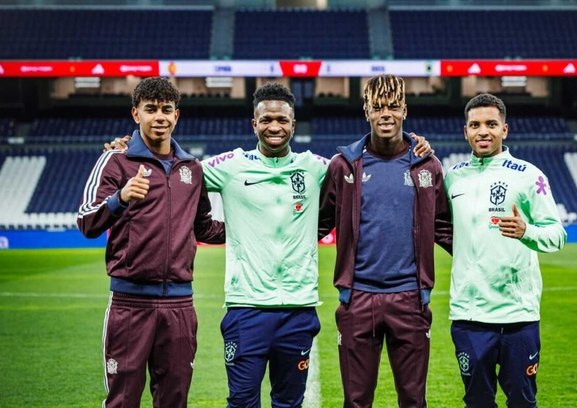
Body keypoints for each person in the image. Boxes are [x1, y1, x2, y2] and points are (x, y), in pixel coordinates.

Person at [106, 81, 432, 407]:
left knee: (289, 403)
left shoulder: (320, 167)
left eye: (282, 120)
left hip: (298, 308)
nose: (274, 127)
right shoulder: (229, 166)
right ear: (254, 124)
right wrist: (135, 149)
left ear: (293, 124)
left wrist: (415, 143)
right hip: (245, 308)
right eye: (266, 120)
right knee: (243, 402)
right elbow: (177, 172)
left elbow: (367, 162)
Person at [77, 77, 225, 408]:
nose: (159, 116)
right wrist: (120, 198)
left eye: (166, 110)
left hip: (179, 307)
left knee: (174, 400)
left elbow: (204, 228)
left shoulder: (192, 169)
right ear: (135, 114)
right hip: (129, 304)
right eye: (150, 109)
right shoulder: (116, 161)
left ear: (177, 116)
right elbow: (86, 221)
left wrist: (255, 227)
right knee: (123, 401)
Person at [318, 74, 453, 407]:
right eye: (378, 107)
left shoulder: (427, 166)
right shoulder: (343, 166)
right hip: (358, 299)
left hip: (409, 299)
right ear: (366, 111)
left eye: (393, 106)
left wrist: (492, 253)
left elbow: (445, 228)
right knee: (357, 401)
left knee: (412, 399)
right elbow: (316, 224)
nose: (386, 114)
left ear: (405, 109)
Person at [444, 93, 566, 408]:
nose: (483, 131)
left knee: (523, 402)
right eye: (475, 125)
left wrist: (528, 232)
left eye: (491, 124)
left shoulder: (529, 176)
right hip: (470, 315)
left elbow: (556, 234)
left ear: (505, 130)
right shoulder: (453, 177)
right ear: (466, 131)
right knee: (478, 402)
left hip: (518, 314)